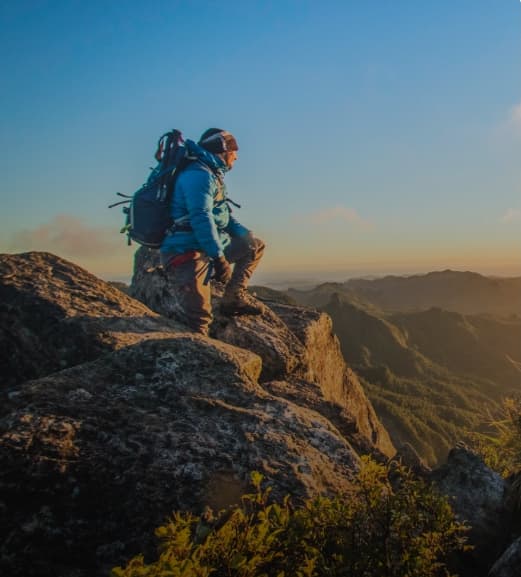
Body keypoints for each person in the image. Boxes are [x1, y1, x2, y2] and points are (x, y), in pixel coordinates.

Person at [160, 128, 265, 336]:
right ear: (223, 150)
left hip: (203, 247)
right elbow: (201, 217)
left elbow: (222, 215)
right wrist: (218, 257)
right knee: (200, 318)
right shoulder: (199, 175)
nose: (236, 156)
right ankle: (200, 358)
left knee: (254, 245)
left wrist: (246, 235)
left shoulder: (210, 173)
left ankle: (232, 298)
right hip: (187, 251)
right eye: (234, 151)